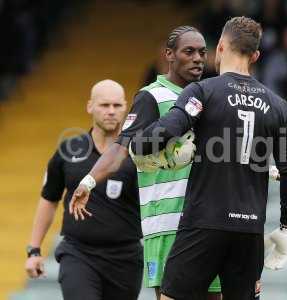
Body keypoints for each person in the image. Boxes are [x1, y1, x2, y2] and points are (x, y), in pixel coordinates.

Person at [112, 16, 287, 299]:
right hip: (249, 229)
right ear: (256, 55)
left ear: (221, 48)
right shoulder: (277, 105)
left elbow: (167, 130)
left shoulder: (203, 91)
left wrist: (139, 149)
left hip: (203, 224)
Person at [69, 26, 223, 299]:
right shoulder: (151, 96)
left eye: (202, 52)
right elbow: (121, 148)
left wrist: (273, 172)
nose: (198, 58)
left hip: (207, 223)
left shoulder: (209, 97)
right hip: (166, 224)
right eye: (189, 52)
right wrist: (89, 181)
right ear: (169, 55)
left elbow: (223, 157)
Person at [24, 80, 143, 300]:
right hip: (78, 254)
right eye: (104, 105)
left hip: (126, 258)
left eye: (117, 106)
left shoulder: (139, 153)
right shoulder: (68, 150)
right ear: (90, 106)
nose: (111, 112)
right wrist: (34, 249)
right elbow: (49, 199)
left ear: (126, 107)